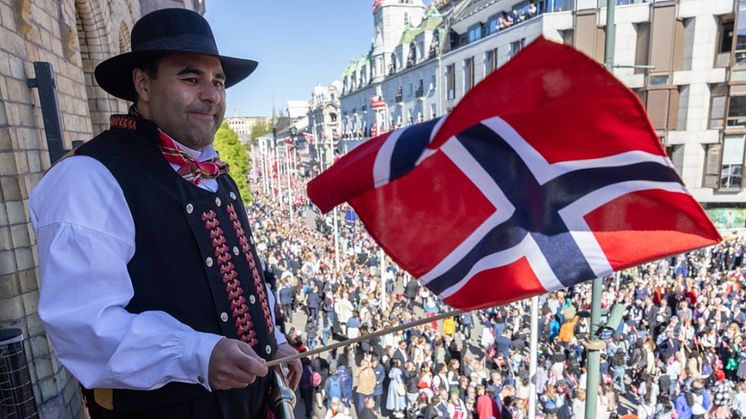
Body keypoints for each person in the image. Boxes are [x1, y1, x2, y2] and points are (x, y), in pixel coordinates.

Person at [29, 8, 301, 419]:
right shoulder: (89, 176)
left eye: (219, 82)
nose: (211, 95)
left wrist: (273, 341)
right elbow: (83, 326)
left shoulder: (218, 178)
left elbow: (247, 278)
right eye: (191, 79)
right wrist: (197, 354)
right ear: (143, 84)